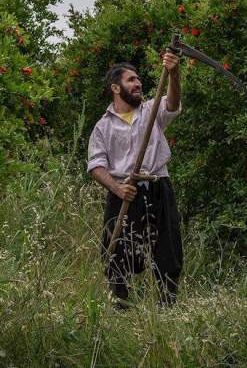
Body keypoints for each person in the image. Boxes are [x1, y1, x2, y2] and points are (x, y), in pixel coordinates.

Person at [86, 53, 183, 308]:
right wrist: (117, 188)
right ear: (116, 88)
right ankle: (121, 306)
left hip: (158, 185)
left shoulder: (151, 110)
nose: (138, 83)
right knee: (116, 249)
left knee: (167, 247)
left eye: (138, 79)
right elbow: (96, 165)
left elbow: (172, 103)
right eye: (131, 80)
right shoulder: (102, 127)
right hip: (124, 191)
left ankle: (167, 306)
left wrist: (173, 73)